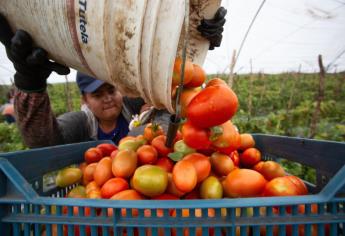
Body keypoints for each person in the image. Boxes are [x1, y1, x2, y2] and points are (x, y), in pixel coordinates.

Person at [0, 7, 227, 148]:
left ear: (120, 89)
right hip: (101, 207)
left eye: (111, 90)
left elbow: (172, 96)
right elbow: (42, 141)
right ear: (85, 101)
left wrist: (193, 41)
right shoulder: (81, 124)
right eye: (97, 95)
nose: (108, 98)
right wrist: (29, 83)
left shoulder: (134, 106)